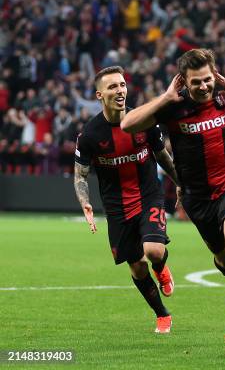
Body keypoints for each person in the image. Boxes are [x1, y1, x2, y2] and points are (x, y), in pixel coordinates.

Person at [121, 48, 225, 350]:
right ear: (183, 82)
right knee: (224, 259)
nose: (204, 86)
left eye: (207, 79)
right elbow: (127, 124)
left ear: (215, 75)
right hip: (197, 197)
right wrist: (165, 97)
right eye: (196, 82)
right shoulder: (173, 107)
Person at [74, 66, 179, 334]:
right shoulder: (90, 135)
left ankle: (162, 267)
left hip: (148, 196)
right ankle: (162, 314)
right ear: (99, 94)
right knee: (136, 266)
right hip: (117, 208)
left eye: (122, 85)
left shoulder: (143, 121)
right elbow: (80, 175)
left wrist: (181, 184)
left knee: (154, 251)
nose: (120, 90)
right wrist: (84, 201)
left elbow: (163, 157)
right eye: (112, 87)